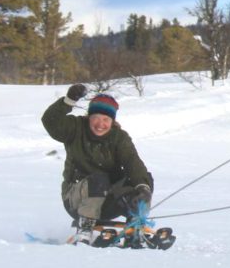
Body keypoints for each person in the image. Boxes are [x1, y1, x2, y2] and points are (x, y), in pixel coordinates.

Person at [41, 84, 154, 242]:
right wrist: (69, 101)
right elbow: (50, 122)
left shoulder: (119, 138)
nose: (100, 124)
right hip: (76, 200)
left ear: (112, 120)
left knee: (143, 180)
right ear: (89, 117)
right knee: (99, 179)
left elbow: (132, 163)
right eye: (96, 118)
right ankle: (85, 228)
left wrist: (143, 189)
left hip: (107, 202)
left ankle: (136, 224)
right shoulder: (75, 128)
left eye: (105, 119)